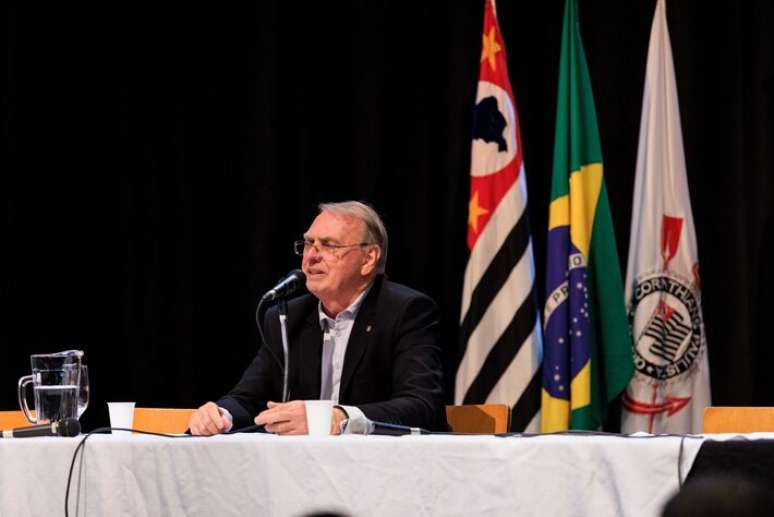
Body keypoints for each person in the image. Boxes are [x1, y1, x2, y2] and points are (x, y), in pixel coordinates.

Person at [189, 201, 446, 435]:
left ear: (368, 259)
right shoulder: (287, 318)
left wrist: (332, 418)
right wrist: (219, 414)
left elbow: (422, 406)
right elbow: (248, 398)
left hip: (382, 470)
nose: (310, 256)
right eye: (308, 244)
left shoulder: (406, 311)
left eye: (329, 245)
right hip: (304, 470)